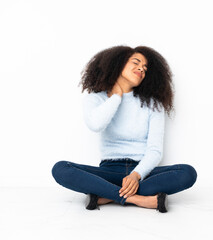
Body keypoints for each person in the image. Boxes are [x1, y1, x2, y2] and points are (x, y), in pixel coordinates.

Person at [51, 45, 197, 213]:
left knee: (187, 172)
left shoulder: (153, 104)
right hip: (108, 171)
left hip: (142, 173)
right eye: (136, 62)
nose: (141, 69)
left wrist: (136, 175)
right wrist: (116, 96)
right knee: (61, 168)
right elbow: (95, 124)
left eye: (144, 68)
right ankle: (137, 199)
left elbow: (155, 150)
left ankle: (105, 194)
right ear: (118, 63)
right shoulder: (95, 99)